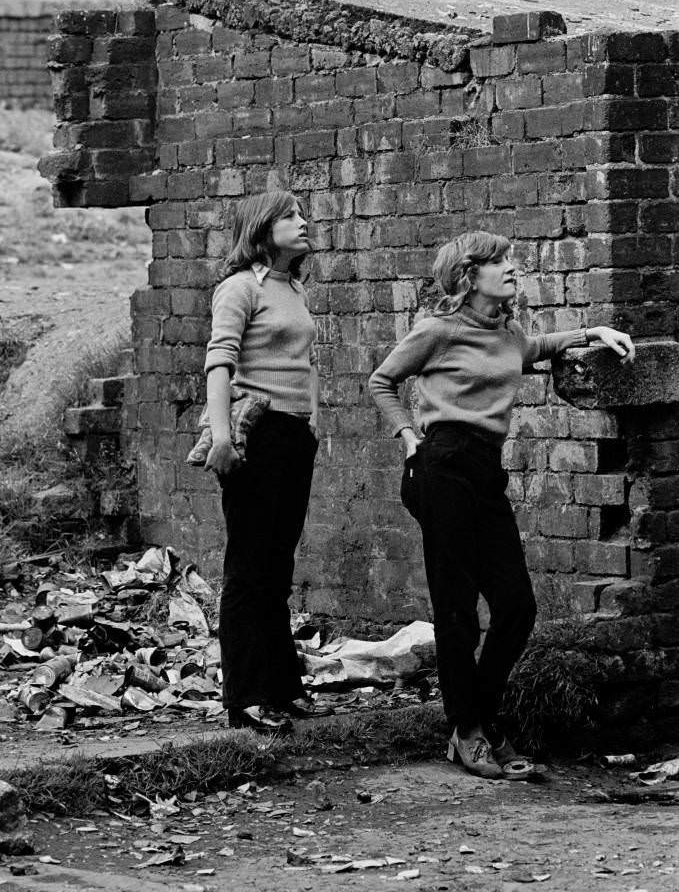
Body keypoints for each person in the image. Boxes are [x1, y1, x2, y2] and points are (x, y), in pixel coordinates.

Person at [369, 231, 635, 778]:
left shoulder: (508, 332)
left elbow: (536, 347)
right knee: (457, 608)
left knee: (517, 606)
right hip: (441, 466)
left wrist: (594, 332)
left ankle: (480, 721)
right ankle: (469, 732)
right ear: (469, 276)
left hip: (484, 469)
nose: (512, 268)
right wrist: (408, 436)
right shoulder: (438, 331)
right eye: (499, 262)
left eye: (511, 259)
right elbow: (382, 380)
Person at [203, 191, 323, 732]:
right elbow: (219, 364)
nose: (303, 223)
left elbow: (305, 364)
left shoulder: (293, 288)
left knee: (278, 567)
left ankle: (282, 687)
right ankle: (245, 697)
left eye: (301, 215)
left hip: (294, 435)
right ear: (261, 228)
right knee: (249, 568)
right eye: (290, 217)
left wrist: (312, 422)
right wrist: (224, 439)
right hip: (255, 432)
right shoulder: (239, 287)